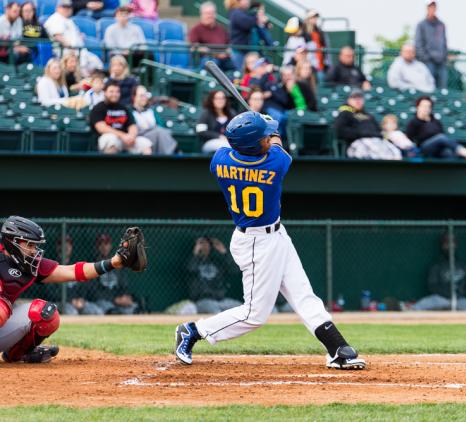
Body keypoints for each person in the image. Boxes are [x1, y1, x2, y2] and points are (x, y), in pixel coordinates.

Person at [174, 111, 366, 370]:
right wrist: (265, 129)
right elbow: (276, 142)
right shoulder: (275, 163)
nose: (269, 137)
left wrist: (256, 127)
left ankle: (337, 348)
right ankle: (193, 330)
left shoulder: (219, 160)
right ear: (255, 145)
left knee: (302, 294)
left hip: (274, 235)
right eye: (263, 136)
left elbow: (245, 142)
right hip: (256, 244)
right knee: (254, 314)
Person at [0, 215, 145, 363]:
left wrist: (113, 262)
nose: (33, 251)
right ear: (13, 242)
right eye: (29, 245)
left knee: (47, 314)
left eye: (35, 246)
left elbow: (72, 271)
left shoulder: (29, 264)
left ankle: (17, 353)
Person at [412, 233, 466, 311]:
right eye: (447, 244)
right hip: (441, 298)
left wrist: (459, 294)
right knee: (417, 307)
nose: (450, 246)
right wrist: (447, 294)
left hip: (459, 299)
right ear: (442, 246)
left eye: (452, 243)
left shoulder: (463, 265)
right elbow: (432, 286)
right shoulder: (437, 265)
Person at [405, 96, 466, 161]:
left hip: (438, 147)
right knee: (441, 138)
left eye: (428, 106)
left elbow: (442, 133)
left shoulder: (435, 121)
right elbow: (408, 139)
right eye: (424, 106)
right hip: (423, 149)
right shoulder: (414, 122)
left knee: (448, 152)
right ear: (418, 107)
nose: (426, 108)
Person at [333, 89, 401, 160]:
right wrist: (360, 134)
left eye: (360, 98)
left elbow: (379, 130)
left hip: (376, 141)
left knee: (394, 152)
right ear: (349, 100)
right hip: (357, 143)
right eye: (354, 98)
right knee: (375, 154)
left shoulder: (369, 116)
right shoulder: (345, 113)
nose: (358, 100)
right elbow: (340, 131)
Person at [89, 79, 152, 154]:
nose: (114, 94)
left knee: (145, 143)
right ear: (105, 92)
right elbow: (102, 128)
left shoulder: (124, 108)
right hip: (105, 138)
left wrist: (131, 137)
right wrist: (123, 136)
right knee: (111, 140)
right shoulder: (99, 108)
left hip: (125, 139)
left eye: (117, 92)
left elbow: (132, 126)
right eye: (111, 91)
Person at [44, 0, 104, 75]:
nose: (67, 9)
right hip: (66, 51)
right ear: (58, 8)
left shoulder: (68, 20)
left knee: (96, 62)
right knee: (83, 65)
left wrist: (79, 36)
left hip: (78, 50)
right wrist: (71, 48)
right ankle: (84, 82)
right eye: (64, 7)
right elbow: (57, 36)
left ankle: (95, 82)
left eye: (69, 7)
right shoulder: (55, 18)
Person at [87, 234, 139, 315]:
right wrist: (114, 299)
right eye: (101, 243)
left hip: (118, 300)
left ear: (110, 246)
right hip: (103, 301)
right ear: (97, 246)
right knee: (111, 310)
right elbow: (93, 293)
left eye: (107, 243)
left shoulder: (116, 264)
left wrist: (125, 297)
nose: (104, 246)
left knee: (134, 308)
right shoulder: (93, 265)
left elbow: (123, 286)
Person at [186, 237, 241, 314]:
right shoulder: (192, 261)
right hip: (202, 301)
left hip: (221, 300)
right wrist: (195, 253)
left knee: (241, 308)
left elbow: (234, 270)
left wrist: (224, 252)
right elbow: (190, 270)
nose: (204, 246)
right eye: (201, 243)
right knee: (216, 312)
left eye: (207, 243)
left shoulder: (217, 262)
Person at [131, 85, 178, 155]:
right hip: (138, 137)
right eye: (141, 96)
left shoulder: (151, 111)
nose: (144, 98)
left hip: (155, 138)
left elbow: (161, 126)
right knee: (160, 132)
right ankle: (172, 154)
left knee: (163, 132)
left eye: (145, 95)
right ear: (134, 97)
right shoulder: (129, 111)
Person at [189, 2, 233, 71]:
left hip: (224, 58)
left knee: (234, 66)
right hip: (207, 59)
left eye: (212, 13)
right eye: (207, 13)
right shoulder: (196, 29)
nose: (210, 16)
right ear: (202, 14)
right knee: (213, 64)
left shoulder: (221, 28)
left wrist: (227, 52)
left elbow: (229, 44)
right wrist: (215, 54)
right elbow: (194, 47)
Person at [414, 0, 448, 90]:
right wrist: (425, 57)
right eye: (430, 7)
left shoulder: (441, 24)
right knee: (428, 87)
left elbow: (444, 42)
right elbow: (418, 43)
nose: (432, 9)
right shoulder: (421, 25)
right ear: (427, 8)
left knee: (442, 88)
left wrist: (444, 56)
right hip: (428, 62)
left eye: (434, 7)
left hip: (441, 62)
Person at [226, 0, 268, 70]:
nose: (248, 1)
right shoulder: (236, 13)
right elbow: (248, 24)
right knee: (243, 74)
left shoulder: (243, 12)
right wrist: (258, 16)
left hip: (246, 51)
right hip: (240, 52)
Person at [196, 90, 235, 154]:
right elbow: (201, 132)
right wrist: (218, 136)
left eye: (223, 98)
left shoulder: (231, 113)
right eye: (217, 98)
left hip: (230, 143)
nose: (220, 100)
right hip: (210, 143)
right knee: (226, 147)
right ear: (212, 100)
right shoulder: (206, 113)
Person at [302, 9, 329, 77]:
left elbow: (324, 46)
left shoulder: (319, 31)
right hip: (307, 66)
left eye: (315, 17)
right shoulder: (303, 31)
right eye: (312, 17)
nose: (315, 19)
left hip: (320, 65)